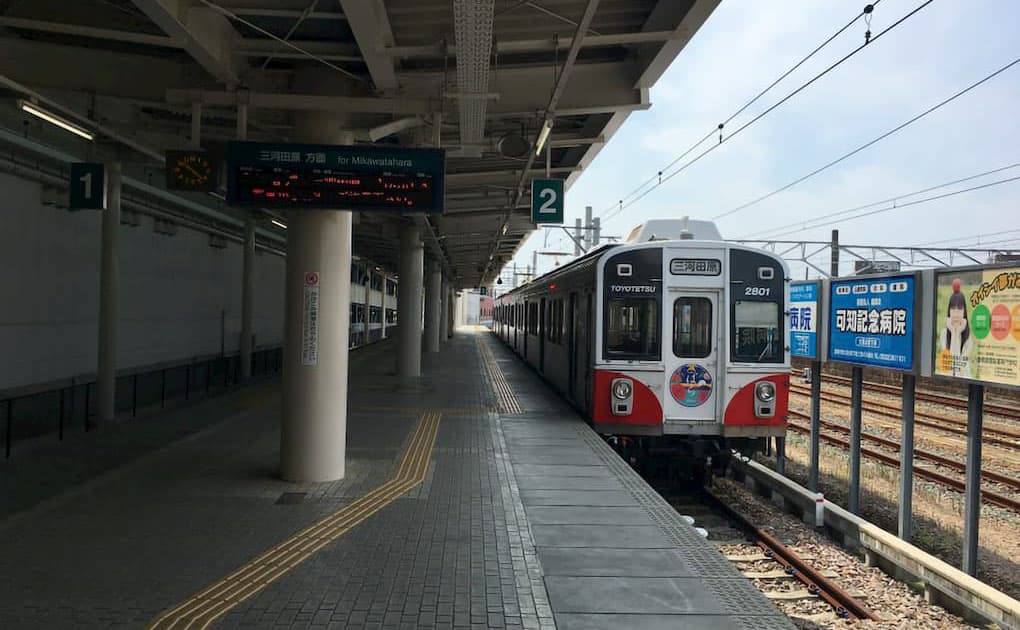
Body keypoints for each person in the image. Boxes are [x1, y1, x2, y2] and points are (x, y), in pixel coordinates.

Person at [939, 279, 974, 377]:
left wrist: (957, 332)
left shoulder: (968, 337)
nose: (956, 313)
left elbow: (958, 370)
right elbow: (949, 369)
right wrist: (953, 332)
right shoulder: (944, 334)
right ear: (949, 311)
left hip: (964, 378)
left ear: (964, 311)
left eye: (960, 309)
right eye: (953, 309)